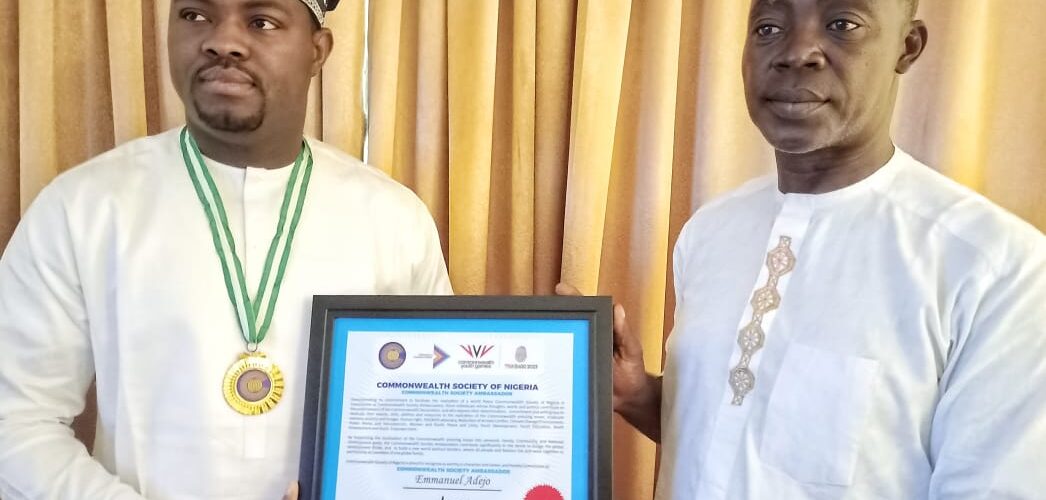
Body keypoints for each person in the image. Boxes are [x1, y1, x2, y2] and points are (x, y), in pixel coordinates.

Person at [569, 0, 1046, 498]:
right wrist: (639, 395)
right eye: (768, 27)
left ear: (906, 47)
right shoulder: (709, 231)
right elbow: (732, 444)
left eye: (843, 24)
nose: (797, 52)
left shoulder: (996, 269)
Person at [0, 0, 451, 498]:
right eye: (196, 16)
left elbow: (431, 420)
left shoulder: (393, 219)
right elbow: (16, 418)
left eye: (262, 22)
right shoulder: (82, 207)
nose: (222, 41)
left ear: (317, 50)